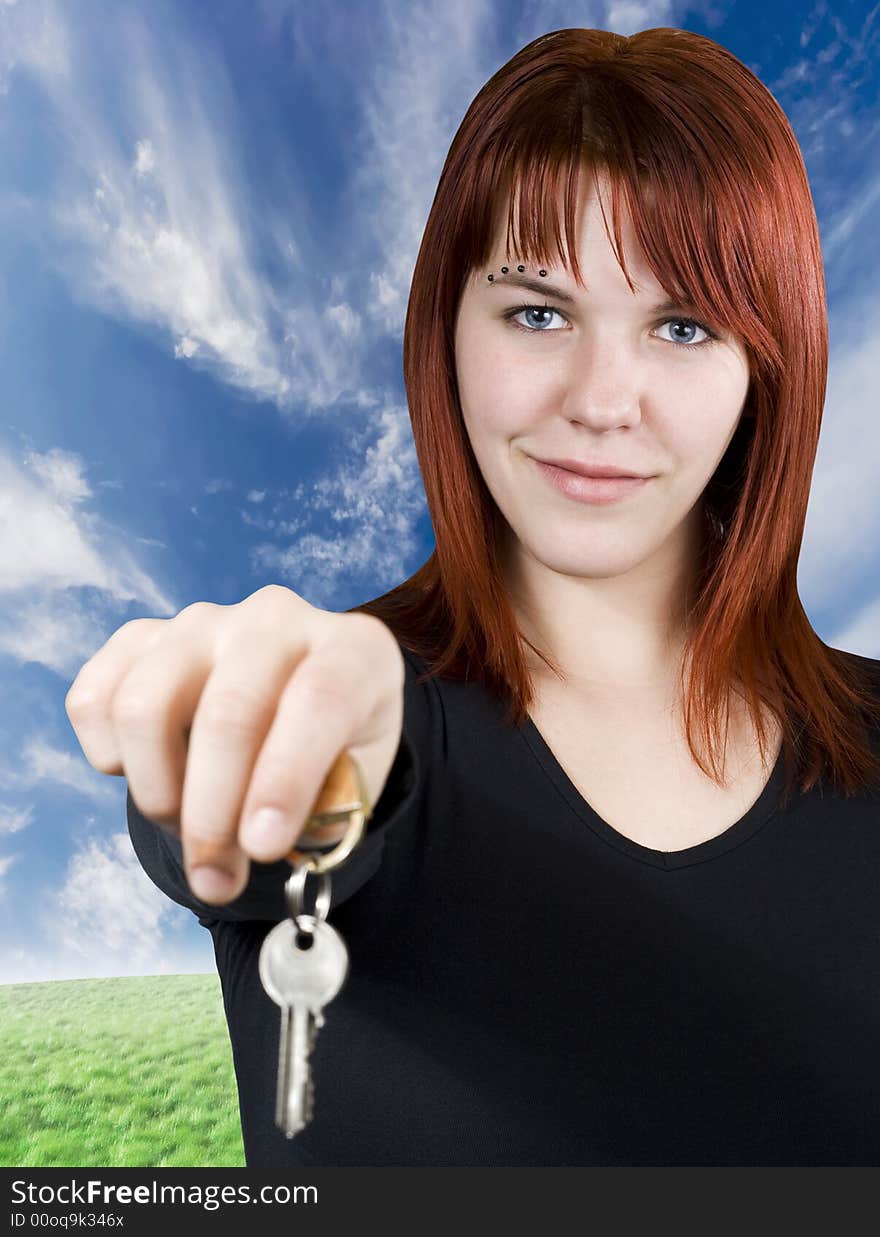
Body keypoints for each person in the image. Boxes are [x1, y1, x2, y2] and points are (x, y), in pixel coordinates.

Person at [68, 27, 880, 1167]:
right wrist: (276, 722)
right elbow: (282, 805)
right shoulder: (360, 713)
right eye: (537, 312)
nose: (602, 401)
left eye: (683, 325)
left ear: (769, 368)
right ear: (445, 330)